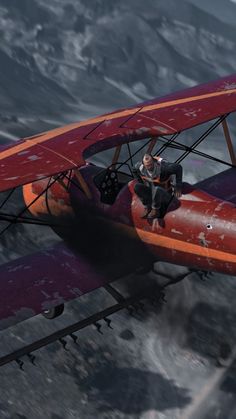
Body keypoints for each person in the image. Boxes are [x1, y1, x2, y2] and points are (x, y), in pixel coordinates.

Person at [132, 153, 183, 219]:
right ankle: (147, 207)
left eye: (151, 164)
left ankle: (155, 210)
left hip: (166, 195)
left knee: (157, 189)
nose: (149, 167)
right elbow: (134, 169)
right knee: (137, 186)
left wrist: (178, 186)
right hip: (152, 192)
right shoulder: (139, 167)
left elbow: (178, 167)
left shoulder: (164, 168)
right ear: (143, 164)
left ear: (154, 161)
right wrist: (141, 182)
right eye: (147, 165)